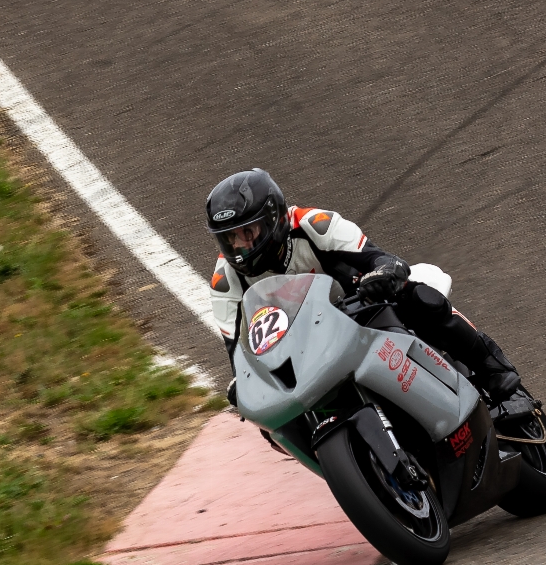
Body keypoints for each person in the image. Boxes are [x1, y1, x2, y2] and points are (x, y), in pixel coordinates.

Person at [206, 168, 522, 406]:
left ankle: (491, 367)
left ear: (273, 218)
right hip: (304, 350)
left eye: (247, 233)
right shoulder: (224, 283)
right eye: (230, 239)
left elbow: (379, 258)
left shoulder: (313, 224)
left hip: (363, 311)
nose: (239, 247)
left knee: (417, 296)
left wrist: (383, 273)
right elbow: (239, 358)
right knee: (266, 413)